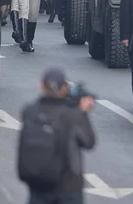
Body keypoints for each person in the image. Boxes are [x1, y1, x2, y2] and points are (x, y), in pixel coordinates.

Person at [18, 68, 95, 204]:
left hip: (38, 186)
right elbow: (89, 142)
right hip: (68, 188)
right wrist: (83, 113)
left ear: (41, 85)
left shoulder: (29, 111)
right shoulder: (72, 116)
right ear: (64, 88)